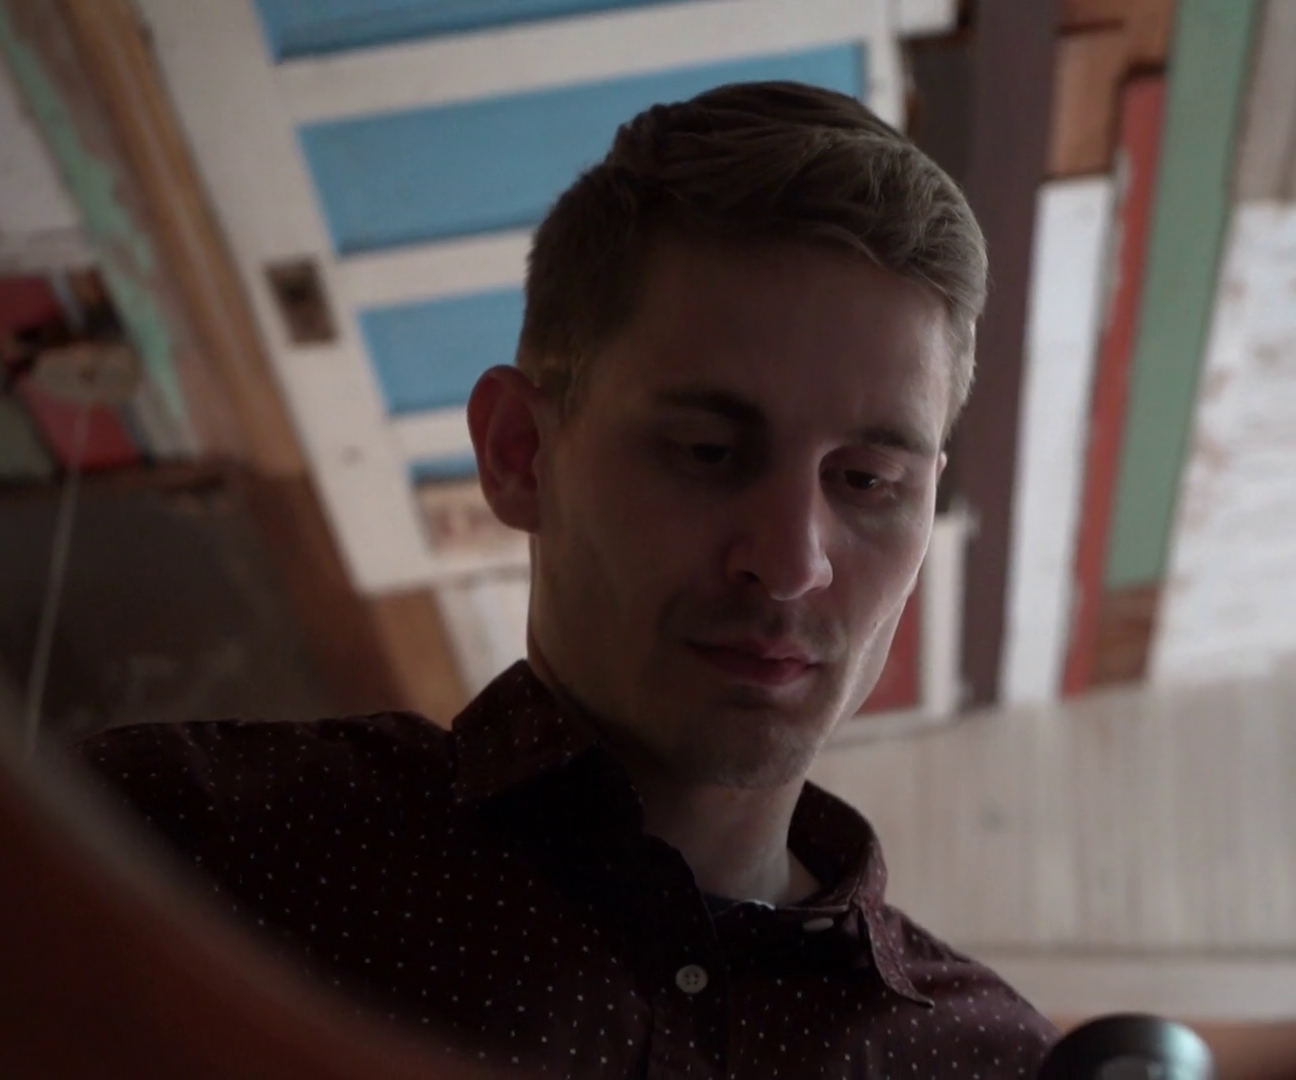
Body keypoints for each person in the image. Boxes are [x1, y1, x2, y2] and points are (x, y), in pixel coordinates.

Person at [81, 81, 1056, 1076]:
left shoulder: (993, 1067)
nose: (792, 561)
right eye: (707, 451)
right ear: (519, 453)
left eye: (868, 481)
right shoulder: (180, 851)